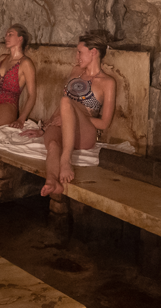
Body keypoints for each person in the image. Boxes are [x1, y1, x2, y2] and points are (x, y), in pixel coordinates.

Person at [37, 32, 116, 196]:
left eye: (80, 51)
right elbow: (62, 104)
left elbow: (104, 123)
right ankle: (52, 181)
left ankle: (66, 160)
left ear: (93, 52)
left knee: (66, 102)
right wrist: (48, 124)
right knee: (52, 145)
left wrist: (71, 118)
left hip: (85, 132)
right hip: (63, 126)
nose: (77, 56)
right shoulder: (75, 72)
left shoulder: (108, 82)